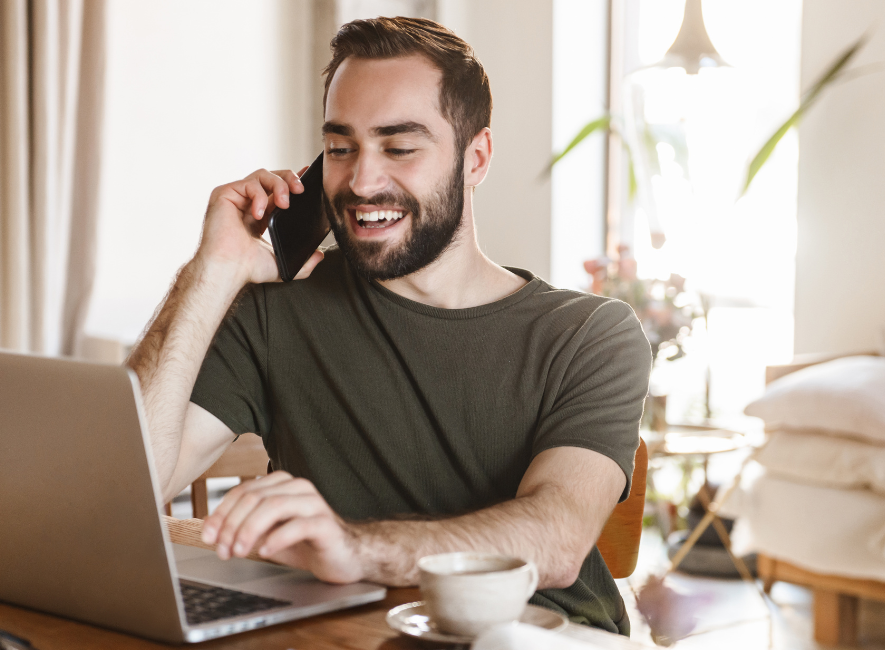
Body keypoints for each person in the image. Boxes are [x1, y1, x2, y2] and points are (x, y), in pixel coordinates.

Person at [126, 16, 651, 634]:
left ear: (476, 158)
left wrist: (354, 548)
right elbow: (129, 483)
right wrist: (211, 271)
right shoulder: (277, 314)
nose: (362, 181)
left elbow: (556, 538)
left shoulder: (590, 333)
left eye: (399, 147)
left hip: (537, 638)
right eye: (341, 148)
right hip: (348, 637)